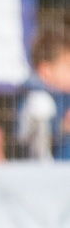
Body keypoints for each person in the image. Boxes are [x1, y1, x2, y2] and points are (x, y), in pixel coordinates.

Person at [17, 15, 70, 159]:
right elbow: (26, 137)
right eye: (68, 67)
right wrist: (62, 127)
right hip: (52, 175)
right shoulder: (37, 98)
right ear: (46, 71)